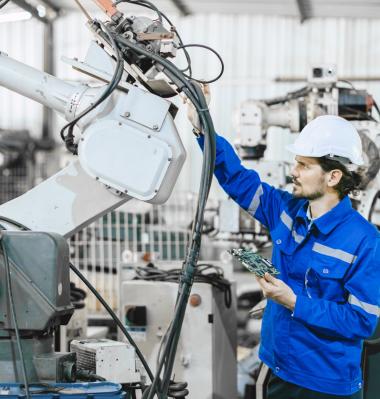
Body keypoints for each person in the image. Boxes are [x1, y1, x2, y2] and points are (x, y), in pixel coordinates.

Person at [188, 100, 380, 398]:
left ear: (333, 176)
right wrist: (202, 124)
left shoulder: (364, 240)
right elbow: (236, 178)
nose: (294, 171)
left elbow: (362, 321)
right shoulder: (284, 209)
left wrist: (294, 302)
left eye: (304, 165)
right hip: (278, 369)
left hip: (327, 384)